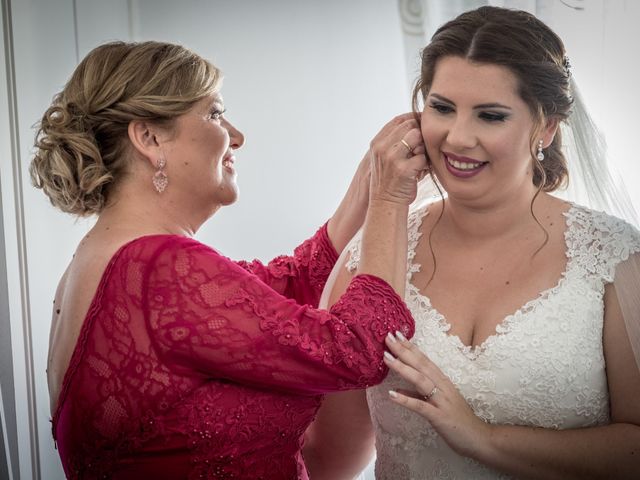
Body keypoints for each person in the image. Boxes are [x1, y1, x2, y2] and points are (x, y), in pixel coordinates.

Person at [30, 40, 428, 479]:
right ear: (149, 137)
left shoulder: (105, 262)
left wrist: (372, 176)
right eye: (215, 113)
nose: (236, 136)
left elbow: (292, 284)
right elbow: (359, 349)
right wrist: (391, 198)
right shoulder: (157, 267)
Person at [304, 6, 640, 479]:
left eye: (491, 115)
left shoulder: (613, 258)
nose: (458, 138)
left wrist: (483, 439)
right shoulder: (368, 260)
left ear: (545, 127)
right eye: (442, 108)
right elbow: (330, 462)